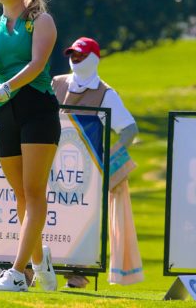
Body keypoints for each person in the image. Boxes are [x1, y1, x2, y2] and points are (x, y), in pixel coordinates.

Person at [0, 0, 60, 292]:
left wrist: (7, 86)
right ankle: (42, 265)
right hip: (3, 111)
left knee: (35, 191)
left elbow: (37, 63)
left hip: (37, 106)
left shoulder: (41, 21)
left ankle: (18, 272)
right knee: (21, 194)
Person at [52, 36, 144, 288]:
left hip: (86, 174)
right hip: (51, 166)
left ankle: (77, 276)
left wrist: (107, 158)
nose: (75, 59)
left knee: (81, 223)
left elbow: (129, 129)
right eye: (72, 54)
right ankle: (30, 270)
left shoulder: (106, 93)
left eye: (81, 55)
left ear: (94, 58)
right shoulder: (57, 83)